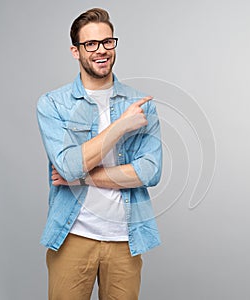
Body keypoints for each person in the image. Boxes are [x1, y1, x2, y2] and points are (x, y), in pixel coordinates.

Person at [36, 7, 162, 300]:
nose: (101, 50)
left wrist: (81, 179)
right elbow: (67, 166)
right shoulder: (53, 104)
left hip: (125, 240)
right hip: (72, 238)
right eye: (90, 44)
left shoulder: (142, 106)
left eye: (107, 42)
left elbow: (149, 172)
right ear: (75, 51)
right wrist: (121, 126)